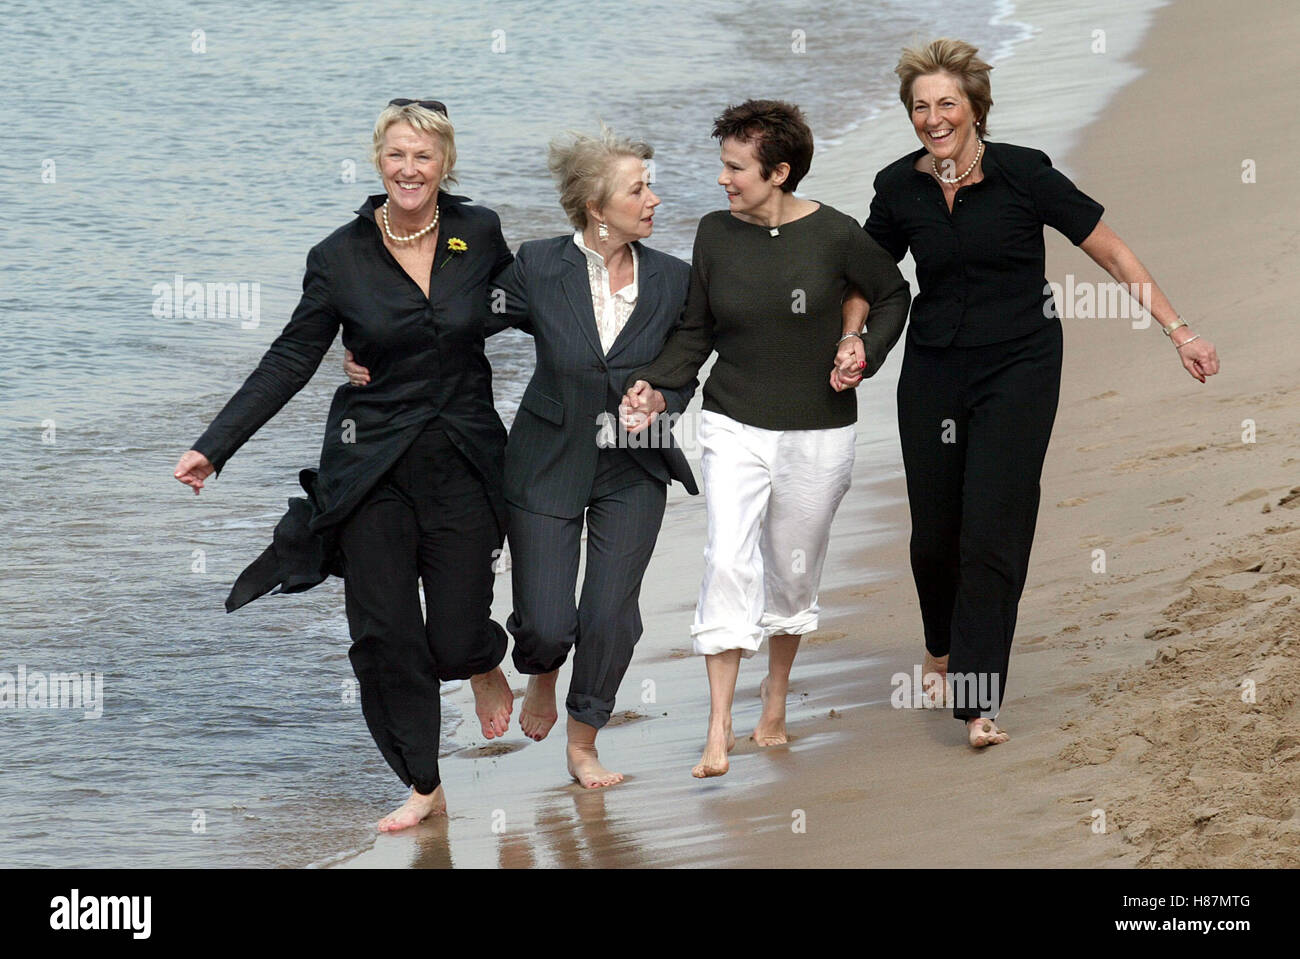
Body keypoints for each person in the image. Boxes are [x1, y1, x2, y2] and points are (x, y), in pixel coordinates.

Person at [862, 39, 1220, 747]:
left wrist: (1179, 330)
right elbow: (868, 277)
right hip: (933, 367)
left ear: (974, 109)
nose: (933, 118)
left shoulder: (1025, 174)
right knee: (935, 536)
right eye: (920, 106)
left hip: (1019, 365)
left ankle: (976, 698)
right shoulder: (896, 187)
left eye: (946, 104)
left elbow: (1110, 250)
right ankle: (941, 644)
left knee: (992, 523)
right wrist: (849, 340)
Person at [173, 99, 517, 830]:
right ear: (377, 160)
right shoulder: (338, 256)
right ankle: (423, 782)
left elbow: (524, 304)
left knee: (455, 636)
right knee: (385, 633)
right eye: (396, 154)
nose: (409, 169)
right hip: (370, 470)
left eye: (423, 156)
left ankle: (485, 661)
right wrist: (215, 445)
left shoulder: (477, 230)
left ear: (445, 162)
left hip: (461, 458)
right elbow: (292, 356)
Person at [346, 127, 699, 789]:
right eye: (638, 188)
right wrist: (371, 346)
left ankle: (584, 738)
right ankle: (542, 668)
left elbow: (687, 362)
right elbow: (453, 318)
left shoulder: (675, 281)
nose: (653, 199)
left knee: (610, 613)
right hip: (546, 459)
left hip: (635, 467)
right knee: (545, 622)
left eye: (649, 185)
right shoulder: (538, 267)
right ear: (596, 207)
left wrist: (665, 395)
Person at [622, 100, 911, 778]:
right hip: (734, 419)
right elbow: (696, 331)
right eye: (723, 164)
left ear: (779, 172)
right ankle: (719, 725)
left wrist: (861, 348)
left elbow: (893, 293)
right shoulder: (715, 234)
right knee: (726, 557)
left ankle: (774, 700)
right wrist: (658, 386)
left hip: (819, 430)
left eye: (736, 167)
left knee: (792, 570)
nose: (723, 179)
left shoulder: (837, 236)